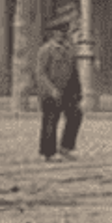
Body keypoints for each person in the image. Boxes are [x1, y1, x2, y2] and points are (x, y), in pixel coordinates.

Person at [35, 13, 83, 161]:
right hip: (51, 92)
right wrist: (51, 90)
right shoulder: (46, 50)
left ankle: (66, 147)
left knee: (76, 115)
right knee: (50, 120)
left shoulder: (70, 49)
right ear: (53, 34)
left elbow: (74, 72)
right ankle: (48, 153)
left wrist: (78, 93)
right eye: (59, 32)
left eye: (64, 32)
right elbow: (40, 73)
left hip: (68, 91)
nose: (62, 35)